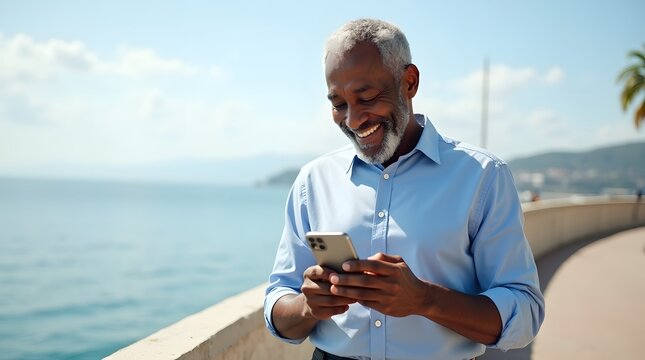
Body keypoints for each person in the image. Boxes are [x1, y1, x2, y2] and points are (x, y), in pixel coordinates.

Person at [264, 19, 544, 360]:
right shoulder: (313, 181)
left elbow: (525, 313)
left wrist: (425, 300)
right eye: (339, 104)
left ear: (409, 82)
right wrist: (308, 307)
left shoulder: (484, 177)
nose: (352, 120)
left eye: (366, 97)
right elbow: (279, 301)